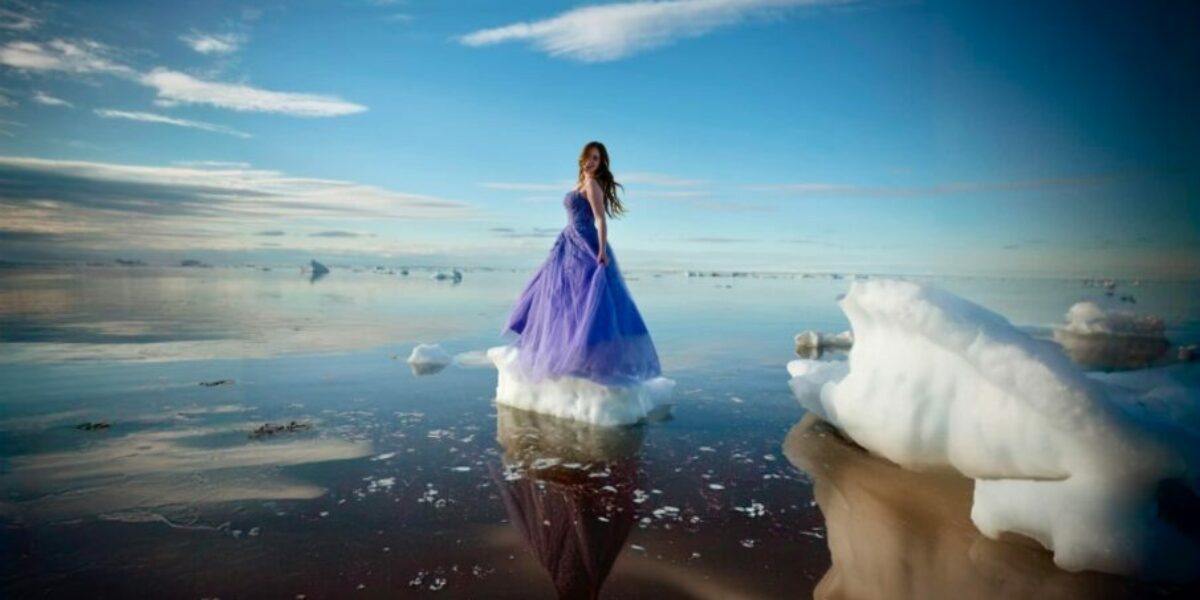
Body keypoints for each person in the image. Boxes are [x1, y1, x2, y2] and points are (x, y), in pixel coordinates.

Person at [501, 141, 662, 386]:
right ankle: (571, 354)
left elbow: (600, 219)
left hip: (585, 244)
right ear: (582, 159)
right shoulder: (580, 184)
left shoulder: (592, 184)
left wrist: (600, 250)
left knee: (589, 302)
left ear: (601, 164)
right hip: (568, 244)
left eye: (596, 159)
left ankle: (592, 359)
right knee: (562, 298)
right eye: (589, 157)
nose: (591, 162)